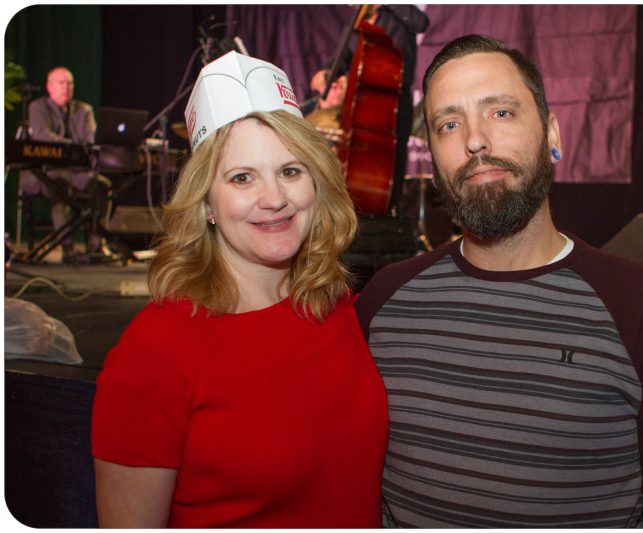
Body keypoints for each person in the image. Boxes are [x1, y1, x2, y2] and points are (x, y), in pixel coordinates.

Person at [355, 35, 643, 527]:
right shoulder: (385, 299)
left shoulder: (641, 304)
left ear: (552, 133)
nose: (474, 141)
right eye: (449, 124)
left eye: (501, 112)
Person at [91, 53, 388, 528]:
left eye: (290, 171)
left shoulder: (337, 305)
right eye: (242, 177)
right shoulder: (153, 355)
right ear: (207, 203)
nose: (274, 199)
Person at [308, 4, 429, 211]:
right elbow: (340, 59)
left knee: (392, 157)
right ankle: (357, 207)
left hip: (395, 97)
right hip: (363, 101)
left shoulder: (396, 16)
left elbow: (421, 23)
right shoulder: (357, 22)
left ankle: (391, 210)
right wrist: (326, 73)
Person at [20, 66, 110, 260]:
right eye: (61, 83)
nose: (66, 87)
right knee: (59, 188)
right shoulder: (37, 107)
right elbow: (42, 136)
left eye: (70, 83)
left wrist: (76, 148)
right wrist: (73, 146)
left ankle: (96, 245)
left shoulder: (84, 110)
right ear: (49, 87)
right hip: (48, 170)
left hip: (77, 171)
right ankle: (67, 248)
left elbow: (90, 141)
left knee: (103, 186)